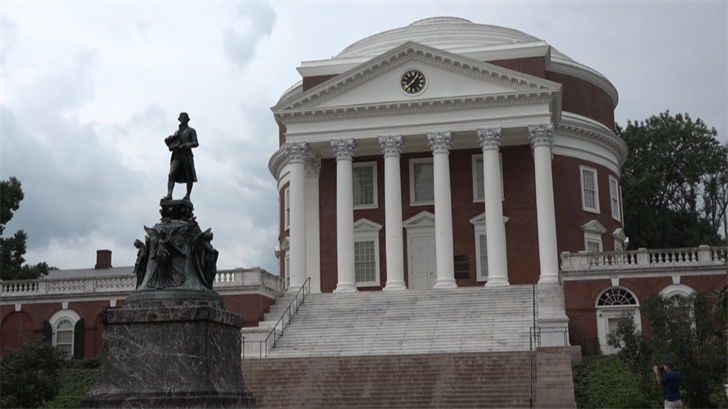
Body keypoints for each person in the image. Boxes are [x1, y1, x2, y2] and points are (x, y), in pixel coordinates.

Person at [162, 112, 198, 201]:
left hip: (186, 155)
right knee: (171, 174)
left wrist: (186, 145)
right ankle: (169, 194)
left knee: (188, 175)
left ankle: (187, 196)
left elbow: (196, 143)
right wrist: (169, 140)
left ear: (188, 119)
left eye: (185, 117)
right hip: (177, 155)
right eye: (181, 117)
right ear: (179, 119)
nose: (183, 119)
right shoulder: (176, 132)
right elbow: (174, 142)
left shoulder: (191, 130)